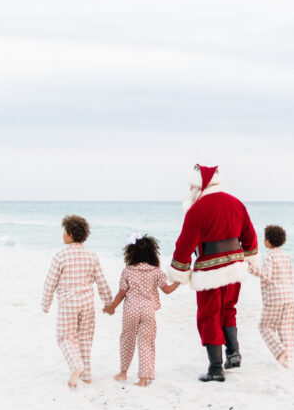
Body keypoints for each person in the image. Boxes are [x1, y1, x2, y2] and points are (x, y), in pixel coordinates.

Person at [168, 164, 258, 382]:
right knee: (229, 309)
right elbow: (250, 236)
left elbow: (185, 245)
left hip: (210, 272)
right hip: (235, 268)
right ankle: (234, 355)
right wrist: (249, 258)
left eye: (191, 184)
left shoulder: (197, 209)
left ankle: (216, 368)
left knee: (208, 316)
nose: (190, 187)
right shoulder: (236, 203)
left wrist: (179, 271)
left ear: (200, 184)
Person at [41, 214, 113, 388]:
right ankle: (87, 376)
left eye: (64, 231)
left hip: (68, 304)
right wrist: (108, 301)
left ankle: (77, 366)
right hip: (87, 304)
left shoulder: (60, 257)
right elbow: (101, 281)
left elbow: (51, 282)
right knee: (85, 339)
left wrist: (46, 303)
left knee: (65, 338)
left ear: (71, 234)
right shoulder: (92, 256)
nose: (62, 234)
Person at [104, 234, 180, 387]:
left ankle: (123, 372)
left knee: (127, 339)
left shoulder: (127, 271)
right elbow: (167, 290)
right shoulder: (156, 271)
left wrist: (111, 307)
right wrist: (178, 281)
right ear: (153, 253)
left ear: (131, 253)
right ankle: (143, 379)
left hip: (130, 310)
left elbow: (121, 293)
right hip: (148, 311)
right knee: (146, 343)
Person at [247, 224, 294, 367]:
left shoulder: (270, 256)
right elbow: (291, 277)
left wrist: (250, 269)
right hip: (289, 297)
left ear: (268, 241)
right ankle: (288, 358)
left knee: (264, 326)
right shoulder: (286, 256)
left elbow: (266, 275)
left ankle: (280, 351)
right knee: (285, 327)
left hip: (275, 297)